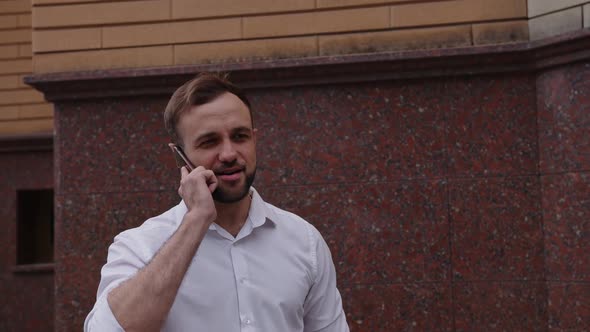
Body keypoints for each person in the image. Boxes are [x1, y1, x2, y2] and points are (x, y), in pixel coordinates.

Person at [84, 73, 349, 331]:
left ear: (254, 140)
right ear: (179, 156)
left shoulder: (304, 241)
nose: (229, 154)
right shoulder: (140, 245)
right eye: (209, 142)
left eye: (240, 136)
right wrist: (197, 219)